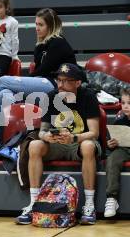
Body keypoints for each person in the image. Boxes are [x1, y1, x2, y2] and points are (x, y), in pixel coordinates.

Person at [16, 63, 101, 225]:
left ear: (77, 82)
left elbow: (94, 132)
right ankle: (35, 203)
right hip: (57, 143)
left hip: (79, 142)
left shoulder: (88, 96)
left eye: (65, 81)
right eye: (58, 80)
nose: (60, 85)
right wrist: (47, 136)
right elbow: (42, 131)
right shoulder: (50, 96)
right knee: (34, 145)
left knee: (89, 146)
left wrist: (74, 138)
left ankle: (89, 205)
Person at [0, 8, 76, 124]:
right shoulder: (41, 44)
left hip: (56, 84)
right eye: (36, 24)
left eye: (41, 25)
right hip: (43, 82)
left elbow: (44, 70)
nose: (37, 28)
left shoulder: (58, 42)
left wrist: (27, 79)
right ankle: (13, 128)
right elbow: (39, 71)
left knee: (2, 81)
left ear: (50, 26)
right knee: (4, 94)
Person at [104, 88, 130, 217]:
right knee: (112, 159)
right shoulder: (119, 120)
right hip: (123, 148)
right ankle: (111, 198)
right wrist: (110, 144)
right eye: (123, 103)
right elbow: (111, 142)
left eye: (129, 103)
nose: (125, 106)